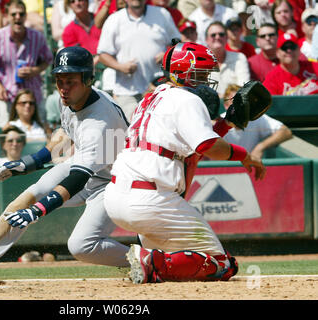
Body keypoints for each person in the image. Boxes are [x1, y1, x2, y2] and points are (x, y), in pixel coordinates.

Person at [0, 46, 130, 286]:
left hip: (114, 181)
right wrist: (32, 161)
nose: (63, 87)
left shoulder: (100, 123)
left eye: (70, 80)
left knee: (81, 245)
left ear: (88, 79)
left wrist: (39, 211)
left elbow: (75, 182)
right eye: (59, 80)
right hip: (88, 165)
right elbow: (65, 134)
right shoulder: (71, 97)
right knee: (22, 201)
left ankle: (146, 259)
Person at [102, 42, 266, 284]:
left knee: (177, 263)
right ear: (183, 71)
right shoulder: (187, 99)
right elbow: (206, 147)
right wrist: (246, 155)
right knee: (222, 264)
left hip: (117, 197)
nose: (205, 79)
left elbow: (189, 148)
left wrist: (226, 123)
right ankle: (152, 261)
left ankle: (153, 262)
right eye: (200, 73)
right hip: (150, 201)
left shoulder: (150, 98)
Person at [97, 0, 181, 121]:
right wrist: (121, 67)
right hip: (127, 92)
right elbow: (103, 54)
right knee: (133, 132)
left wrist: (168, 54)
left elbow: (178, 43)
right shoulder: (114, 19)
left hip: (159, 88)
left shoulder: (162, 14)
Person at [0, 0, 54, 128]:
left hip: (31, 97)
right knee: (5, 134)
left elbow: (48, 59)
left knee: (37, 134)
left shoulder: (37, 37)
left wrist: (35, 70)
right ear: (7, 16)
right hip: (6, 94)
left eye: (21, 14)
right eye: (13, 14)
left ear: (26, 16)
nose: (17, 17)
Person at [222, 84, 292, 159]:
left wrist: (260, 147)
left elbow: (285, 131)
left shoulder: (256, 118)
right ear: (226, 105)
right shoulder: (218, 123)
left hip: (248, 167)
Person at [206, 21, 251, 97]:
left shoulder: (240, 57)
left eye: (221, 34)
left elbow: (244, 88)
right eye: (213, 35)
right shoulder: (200, 62)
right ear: (206, 40)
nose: (217, 37)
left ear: (227, 38)